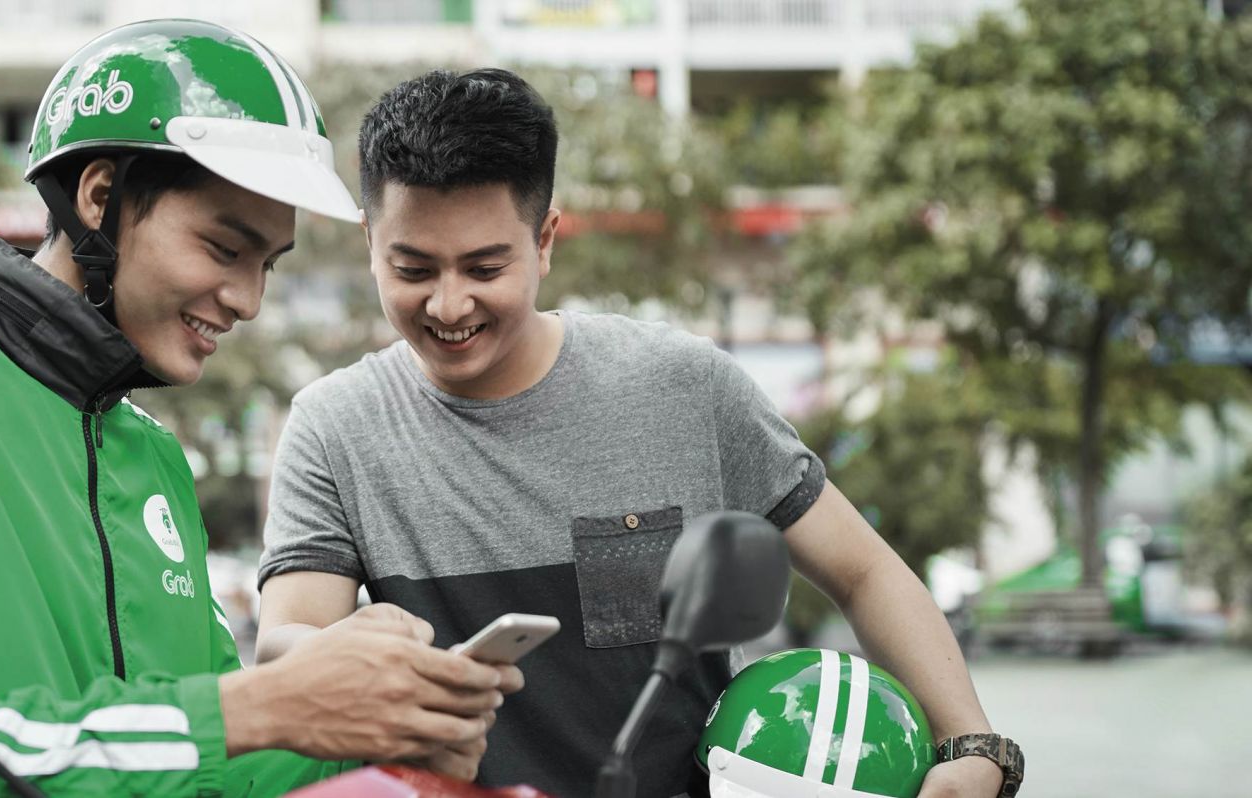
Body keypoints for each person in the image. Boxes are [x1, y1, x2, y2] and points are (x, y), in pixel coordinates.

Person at [0, 22, 513, 797]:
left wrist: (388, 738)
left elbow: (215, 774)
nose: (249, 300)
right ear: (98, 198)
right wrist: (257, 707)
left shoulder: (155, 457)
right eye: (224, 249)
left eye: (267, 265)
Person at [256, 68, 1022, 797]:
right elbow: (285, 643)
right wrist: (354, 652)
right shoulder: (335, 428)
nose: (449, 305)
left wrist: (975, 744)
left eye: (486, 268)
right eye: (414, 270)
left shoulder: (682, 385)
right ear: (368, 241)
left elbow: (863, 571)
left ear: (546, 239)